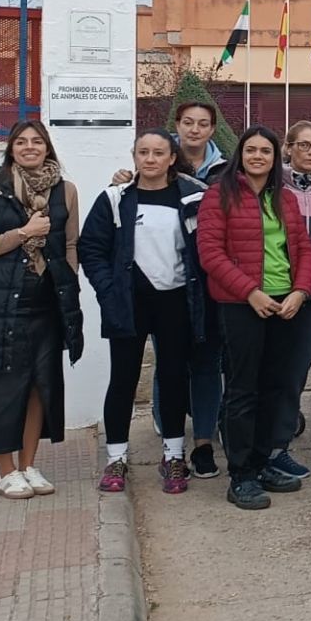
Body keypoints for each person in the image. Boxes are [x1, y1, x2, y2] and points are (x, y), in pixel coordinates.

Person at [0, 120, 84, 501]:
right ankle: (6, 470)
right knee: (1, 390)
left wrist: (67, 279)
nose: (30, 147)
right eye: (22, 142)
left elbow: (71, 243)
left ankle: (29, 464)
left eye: (37, 142)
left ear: (48, 148)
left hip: (47, 305)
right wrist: (24, 233)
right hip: (0, 305)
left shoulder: (67, 190)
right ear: (11, 149)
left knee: (40, 388)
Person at [197, 127, 311, 511]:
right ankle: (241, 474)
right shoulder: (220, 194)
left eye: (266, 150)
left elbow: (302, 246)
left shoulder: (284, 198)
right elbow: (210, 253)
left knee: (277, 386)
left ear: (275, 156)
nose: (259, 156)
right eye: (252, 150)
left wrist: (300, 291)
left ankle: (263, 461)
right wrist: (250, 292)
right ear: (240, 154)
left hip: (286, 303)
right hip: (242, 304)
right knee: (242, 389)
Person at [82, 130, 206, 495]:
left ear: (172, 158)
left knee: (172, 378)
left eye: (158, 153)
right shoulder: (115, 197)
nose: (150, 159)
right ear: (134, 157)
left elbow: (206, 246)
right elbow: (92, 247)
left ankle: (173, 456)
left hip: (176, 301)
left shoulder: (193, 195)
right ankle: (116, 458)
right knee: (123, 379)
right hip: (128, 301)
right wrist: (108, 290)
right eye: (143, 152)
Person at [113, 97, 227, 478]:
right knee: (170, 365)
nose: (195, 129)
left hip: (207, 286)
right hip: (164, 293)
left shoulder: (225, 170)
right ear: (176, 129)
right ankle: (171, 439)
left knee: (207, 364)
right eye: (188, 122)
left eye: (203, 123)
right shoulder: (141, 179)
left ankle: (204, 442)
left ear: (212, 129)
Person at [271, 121, 311, 476]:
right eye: (304, 145)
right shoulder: (272, 186)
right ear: (289, 147)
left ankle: (279, 445)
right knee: (267, 365)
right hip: (275, 288)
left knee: (296, 369)